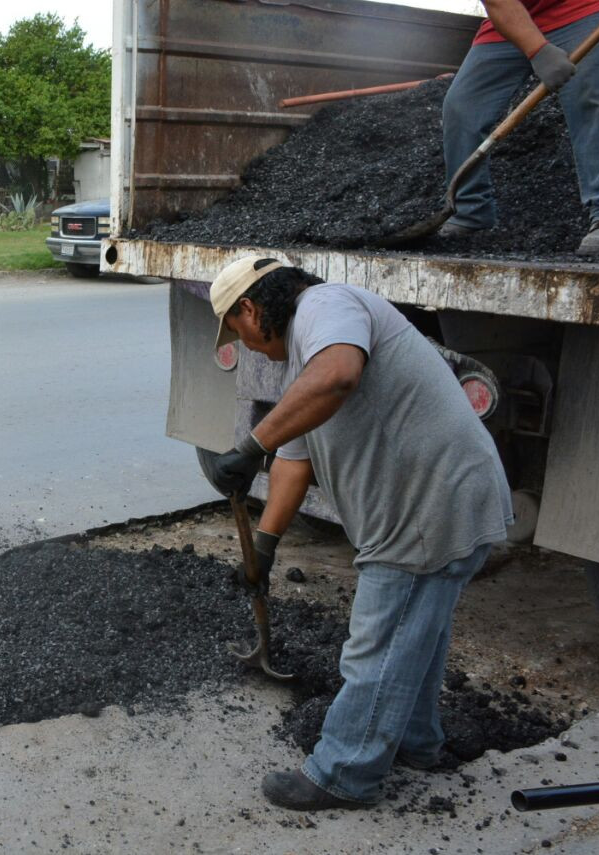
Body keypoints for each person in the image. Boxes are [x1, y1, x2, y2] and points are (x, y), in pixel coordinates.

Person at [205, 256, 513, 811]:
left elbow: (340, 374)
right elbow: (293, 463)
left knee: (380, 643)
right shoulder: (304, 360)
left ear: (249, 309)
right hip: (426, 505)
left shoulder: (327, 306)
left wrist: (248, 447)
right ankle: (419, 745)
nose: (246, 346)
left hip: (428, 504)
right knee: (417, 632)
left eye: (237, 331)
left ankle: (344, 771)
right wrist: (265, 552)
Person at [439, 0, 599, 254]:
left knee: (588, 97)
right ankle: (471, 212)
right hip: (512, 15)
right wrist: (538, 51)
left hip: (582, 8)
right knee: (461, 105)